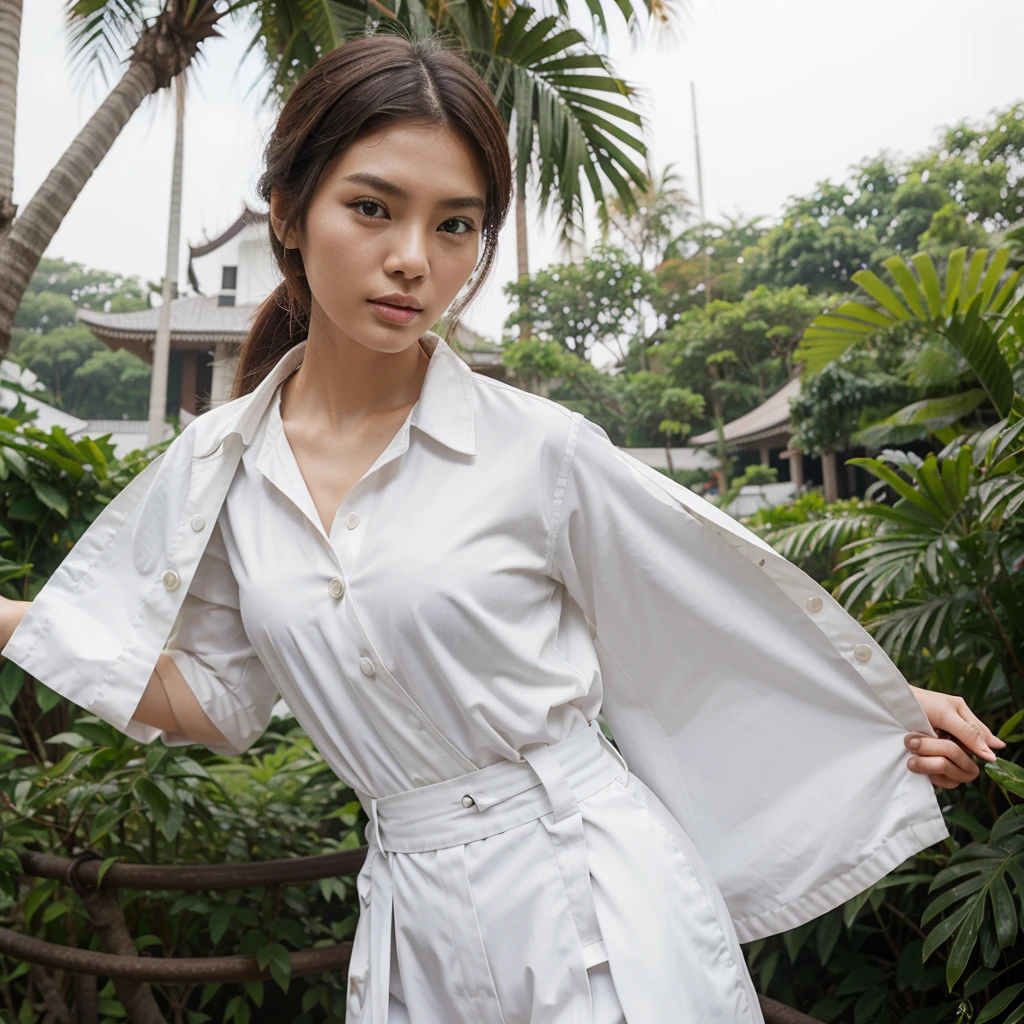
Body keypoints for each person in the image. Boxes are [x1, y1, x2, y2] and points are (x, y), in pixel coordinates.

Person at [0, 34, 1005, 1024]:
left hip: (590, 897)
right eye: (371, 207)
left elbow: (701, 604)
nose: (411, 260)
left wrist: (879, 702)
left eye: (455, 225)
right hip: (412, 925)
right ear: (287, 214)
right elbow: (217, 698)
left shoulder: (539, 451)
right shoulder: (221, 467)